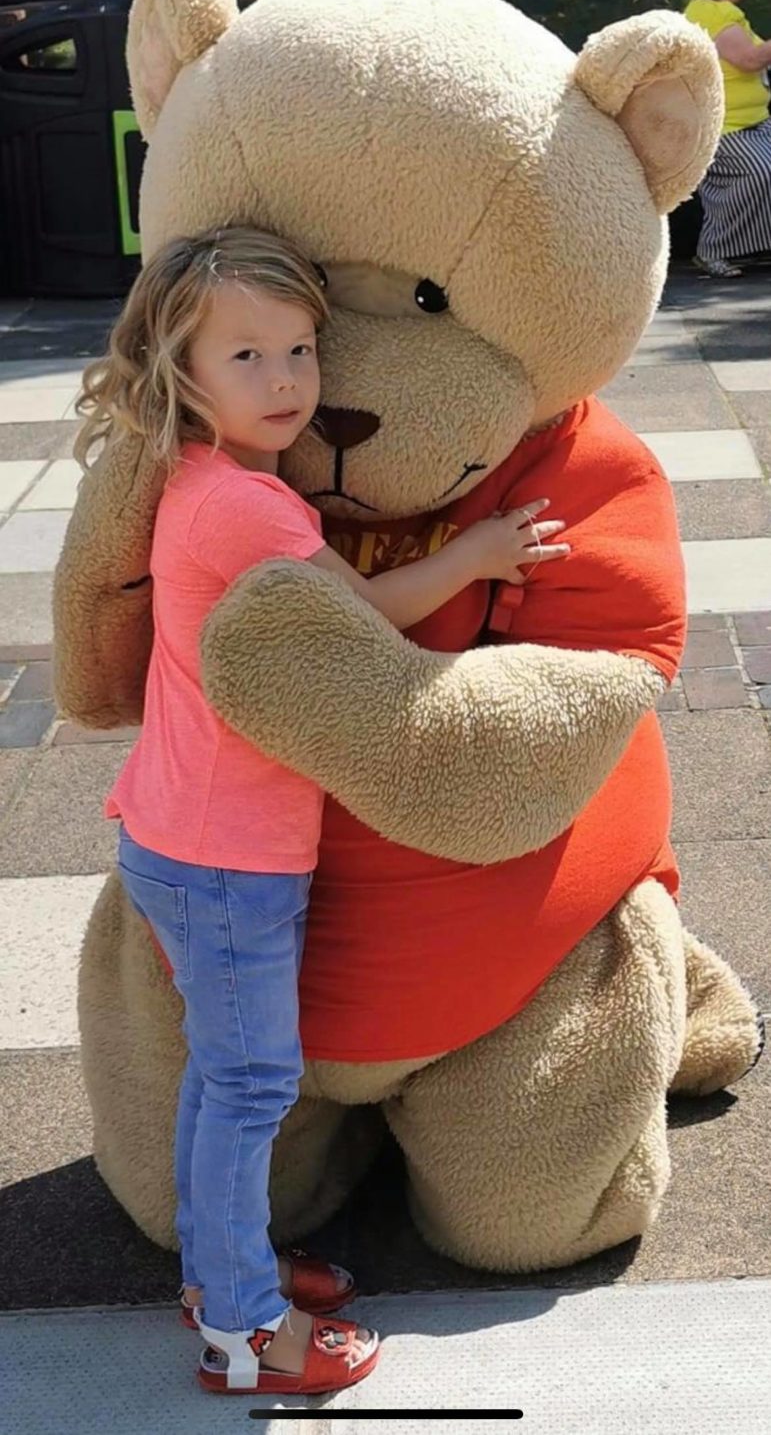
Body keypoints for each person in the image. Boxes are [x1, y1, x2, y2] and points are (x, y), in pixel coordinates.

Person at [73, 224, 568, 1397]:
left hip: (177, 835)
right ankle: (245, 1336)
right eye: (246, 356)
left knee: (220, 1073)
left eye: (300, 348)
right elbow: (369, 618)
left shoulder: (213, 479)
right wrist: (484, 549)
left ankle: (220, 1271)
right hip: (227, 855)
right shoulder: (252, 513)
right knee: (249, 1084)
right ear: (176, 363)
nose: (288, 380)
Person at [684, 0, 771, 277]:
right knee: (761, 172)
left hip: (754, 124)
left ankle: (751, 246)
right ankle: (713, 249)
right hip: (727, 131)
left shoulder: (721, 12)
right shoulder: (714, 14)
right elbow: (749, 60)